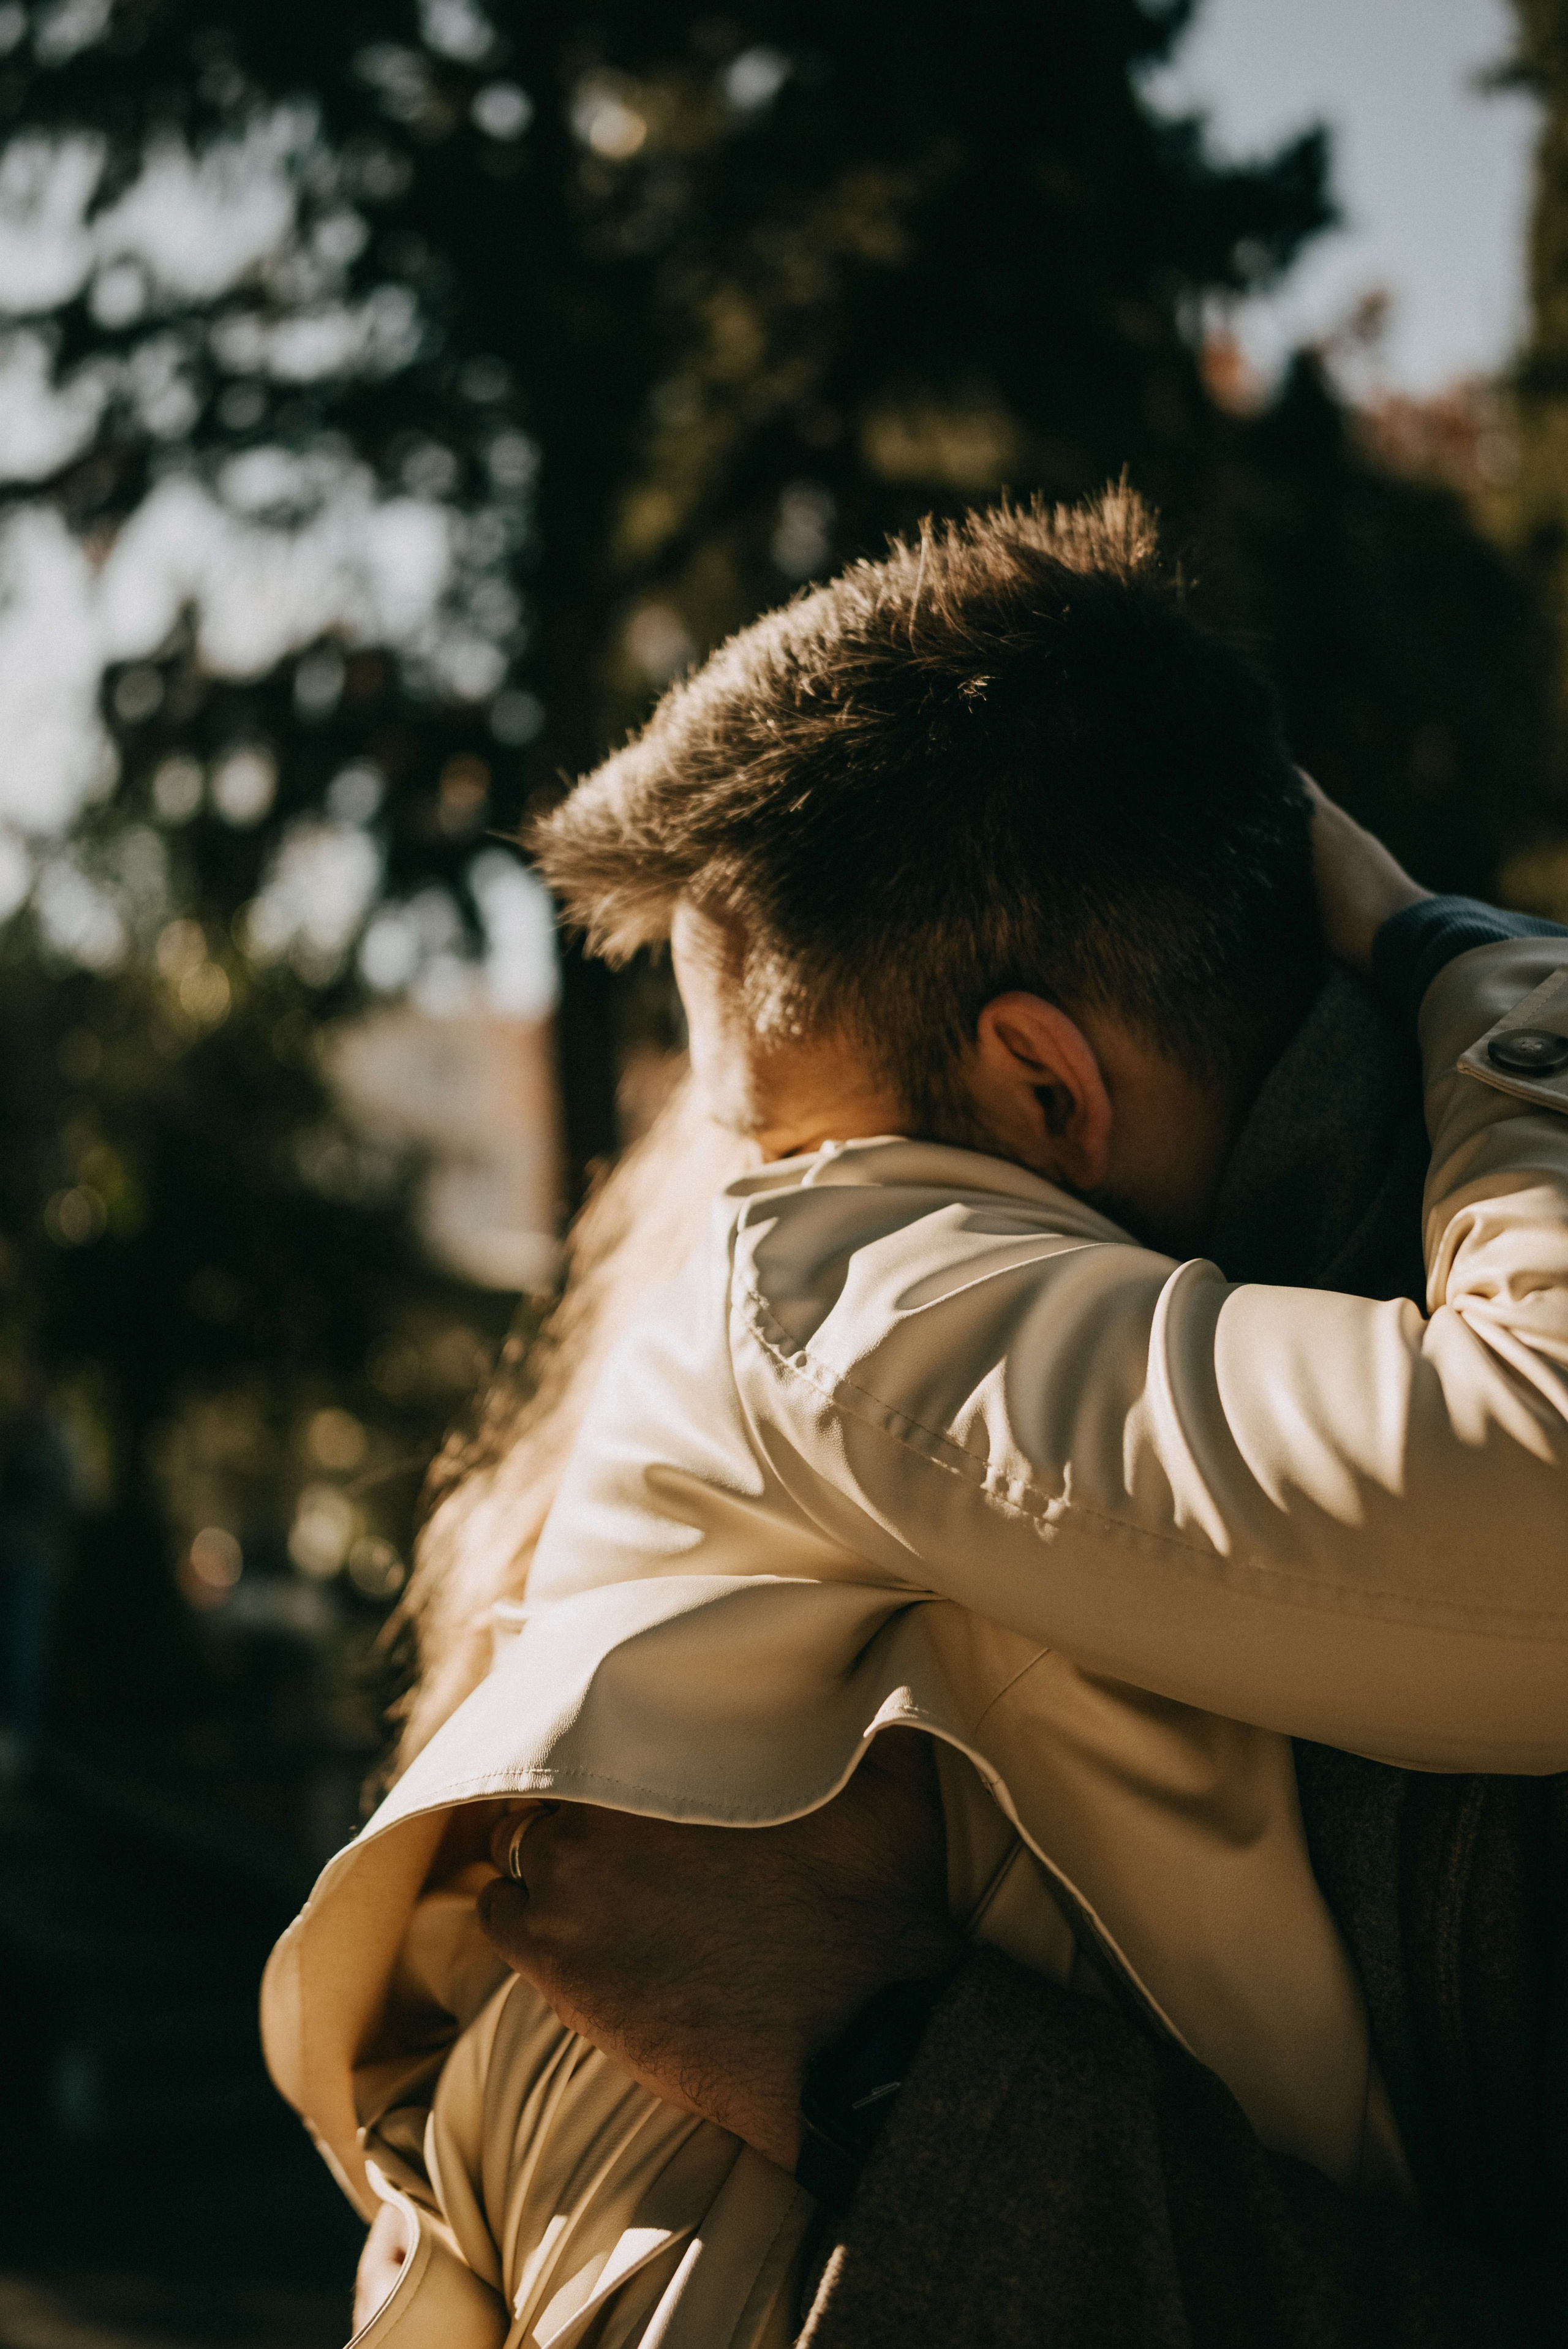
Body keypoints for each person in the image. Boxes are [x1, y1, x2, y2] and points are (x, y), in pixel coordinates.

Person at [263, 493, 1568, 2343]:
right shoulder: (803, 1296)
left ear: (1044, 1086)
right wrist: (1481, 965)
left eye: (785, 1136)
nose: (738, 1198)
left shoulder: (839, 1267)